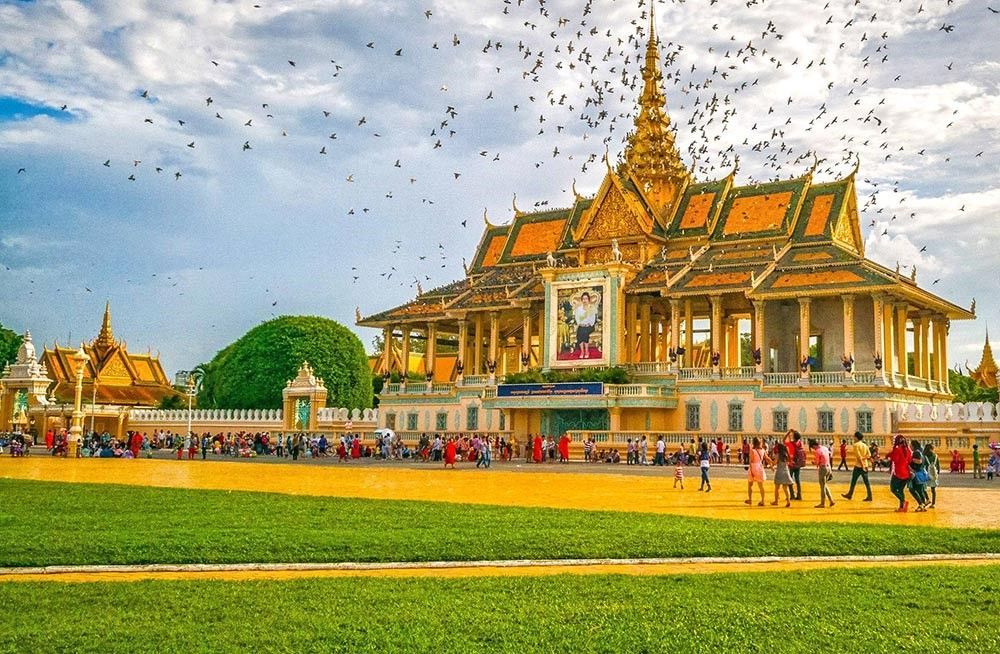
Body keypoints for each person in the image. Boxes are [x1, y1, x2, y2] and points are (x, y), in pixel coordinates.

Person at [841, 432, 873, 502]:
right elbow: (869, 455)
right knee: (866, 482)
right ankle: (870, 496)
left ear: (856, 437)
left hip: (859, 466)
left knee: (853, 481)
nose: (853, 438)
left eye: (854, 437)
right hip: (865, 465)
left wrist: (862, 465)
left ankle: (850, 494)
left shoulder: (856, 445)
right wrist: (864, 461)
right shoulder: (865, 445)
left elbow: (858, 457)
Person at [888, 435, 913, 512]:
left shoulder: (897, 449)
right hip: (906, 473)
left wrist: (890, 456)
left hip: (898, 472)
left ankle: (903, 501)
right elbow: (909, 461)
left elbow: (895, 459)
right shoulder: (908, 450)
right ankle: (902, 507)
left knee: (893, 489)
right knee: (901, 490)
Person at [745, 437, 771, 507]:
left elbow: (751, 461)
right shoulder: (763, 450)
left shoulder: (752, 450)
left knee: (750, 485)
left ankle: (750, 499)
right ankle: (762, 501)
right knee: (761, 486)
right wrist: (772, 465)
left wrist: (751, 471)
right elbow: (767, 458)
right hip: (760, 467)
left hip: (753, 467)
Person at [809, 439, 835, 508]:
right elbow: (828, 457)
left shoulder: (818, 451)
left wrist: (814, 463)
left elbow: (817, 462)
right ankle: (831, 500)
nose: (813, 449)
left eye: (813, 447)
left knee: (822, 487)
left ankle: (822, 503)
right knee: (824, 485)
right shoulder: (825, 448)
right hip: (828, 467)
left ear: (814, 445)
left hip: (823, 468)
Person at [572, 291, 598, 358]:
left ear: (588, 300)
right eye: (583, 299)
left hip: (590, 326)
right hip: (581, 326)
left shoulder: (591, 308)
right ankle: (582, 352)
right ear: (581, 300)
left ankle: (586, 351)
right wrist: (581, 324)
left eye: (586, 299)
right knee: (580, 332)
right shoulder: (579, 309)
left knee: (584, 332)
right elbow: (577, 318)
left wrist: (588, 324)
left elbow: (593, 319)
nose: (584, 300)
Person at [909, 440, 930, 512]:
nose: (910, 446)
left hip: (917, 473)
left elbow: (919, 461)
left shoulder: (916, 452)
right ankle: (922, 505)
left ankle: (921, 504)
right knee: (920, 490)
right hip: (921, 473)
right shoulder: (921, 451)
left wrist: (909, 461)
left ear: (913, 446)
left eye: (910, 445)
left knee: (912, 489)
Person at [785, 430, 805, 501]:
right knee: (797, 479)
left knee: (790, 479)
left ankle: (792, 495)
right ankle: (799, 495)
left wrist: (788, 432)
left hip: (792, 463)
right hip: (798, 464)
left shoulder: (791, 443)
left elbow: (784, 440)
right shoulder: (800, 443)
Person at [771, 443, 792, 507]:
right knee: (785, 488)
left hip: (779, 472)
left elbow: (774, 463)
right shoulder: (786, 455)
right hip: (786, 471)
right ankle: (788, 501)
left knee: (777, 488)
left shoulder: (778, 455)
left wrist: (771, 463)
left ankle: (776, 501)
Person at [923, 443, 940, 508]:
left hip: (926, 474)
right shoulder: (935, 456)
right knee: (933, 490)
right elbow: (938, 466)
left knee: (923, 488)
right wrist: (937, 473)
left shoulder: (924, 456)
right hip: (933, 474)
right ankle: (933, 503)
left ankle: (927, 499)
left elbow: (923, 465)